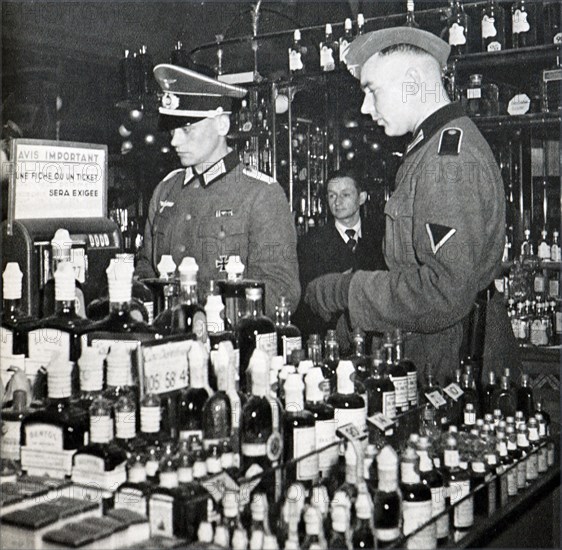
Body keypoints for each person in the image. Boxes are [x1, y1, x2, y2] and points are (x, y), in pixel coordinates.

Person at [305, 27, 505, 381]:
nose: (365, 108)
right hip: (437, 351)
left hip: (451, 362)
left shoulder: (447, 158)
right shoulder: (431, 148)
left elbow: (444, 293)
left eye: (371, 91)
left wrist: (347, 291)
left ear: (413, 81)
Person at [136, 64, 300, 317]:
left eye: (187, 129)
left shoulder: (260, 195)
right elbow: (146, 265)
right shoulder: (166, 190)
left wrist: (212, 315)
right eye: (172, 130)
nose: (174, 141)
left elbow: (281, 291)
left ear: (222, 125)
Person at [293, 168, 386, 341]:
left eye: (345, 195)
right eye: (332, 195)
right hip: (331, 340)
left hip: (376, 338)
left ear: (362, 198)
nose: (337, 202)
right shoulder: (311, 243)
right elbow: (305, 305)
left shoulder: (381, 237)